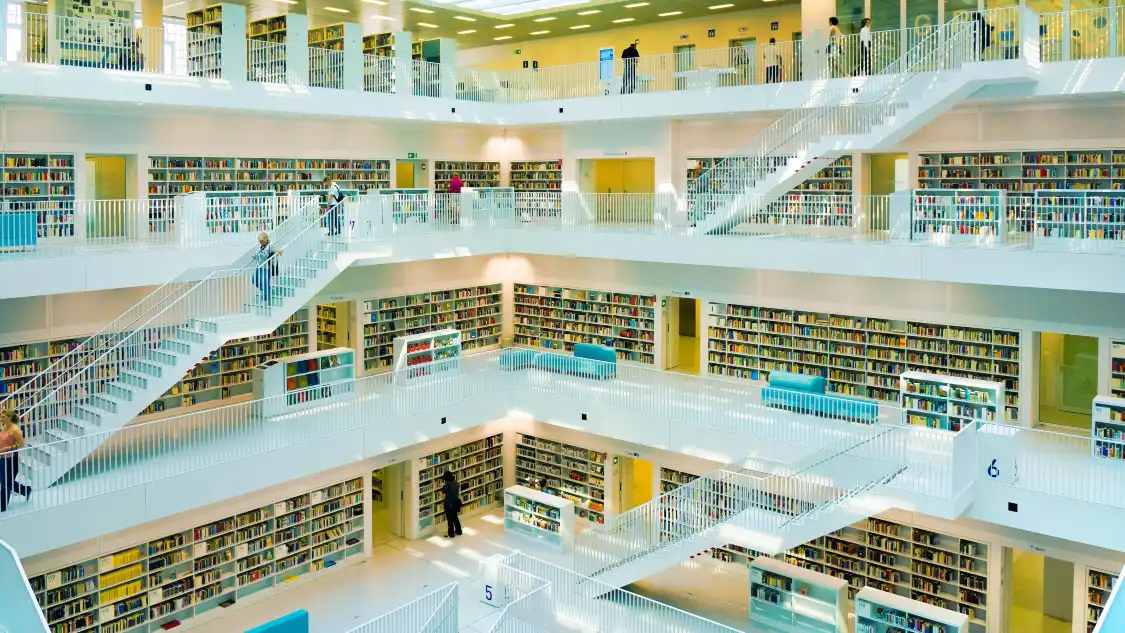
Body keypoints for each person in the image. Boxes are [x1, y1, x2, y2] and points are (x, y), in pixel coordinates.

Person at [0, 410, 31, 513]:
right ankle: (25, 490)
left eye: (3, 417)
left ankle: (2, 507)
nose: (1, 419)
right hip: (1, 456)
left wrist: (8, 448)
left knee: (5, 483)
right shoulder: (4, 427)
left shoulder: (15, 430)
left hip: (10, 458)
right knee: (6, 481)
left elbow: (21, 444)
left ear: (9, 418)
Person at [251, 232, 281, 304]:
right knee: (254, 280)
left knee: (264, 284)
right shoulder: (262, 246)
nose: (260, 243)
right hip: (259, 266)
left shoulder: (271, 245)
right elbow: (259, 253)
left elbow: (277, 251)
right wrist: (255, 256)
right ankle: (268, 290)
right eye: (259, 241)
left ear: (265, 240)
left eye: (261, 241)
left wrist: (279, 252)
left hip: (266, 268)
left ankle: (266, 300)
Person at [441, 470, 463, 538]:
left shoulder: (446, 486)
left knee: (450, 520)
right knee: (455, 517)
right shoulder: (456, 483)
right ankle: (459, 531)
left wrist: (442, 487)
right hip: (455, 502)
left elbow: (443, 495)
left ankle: (451, 533)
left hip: (449, 504)